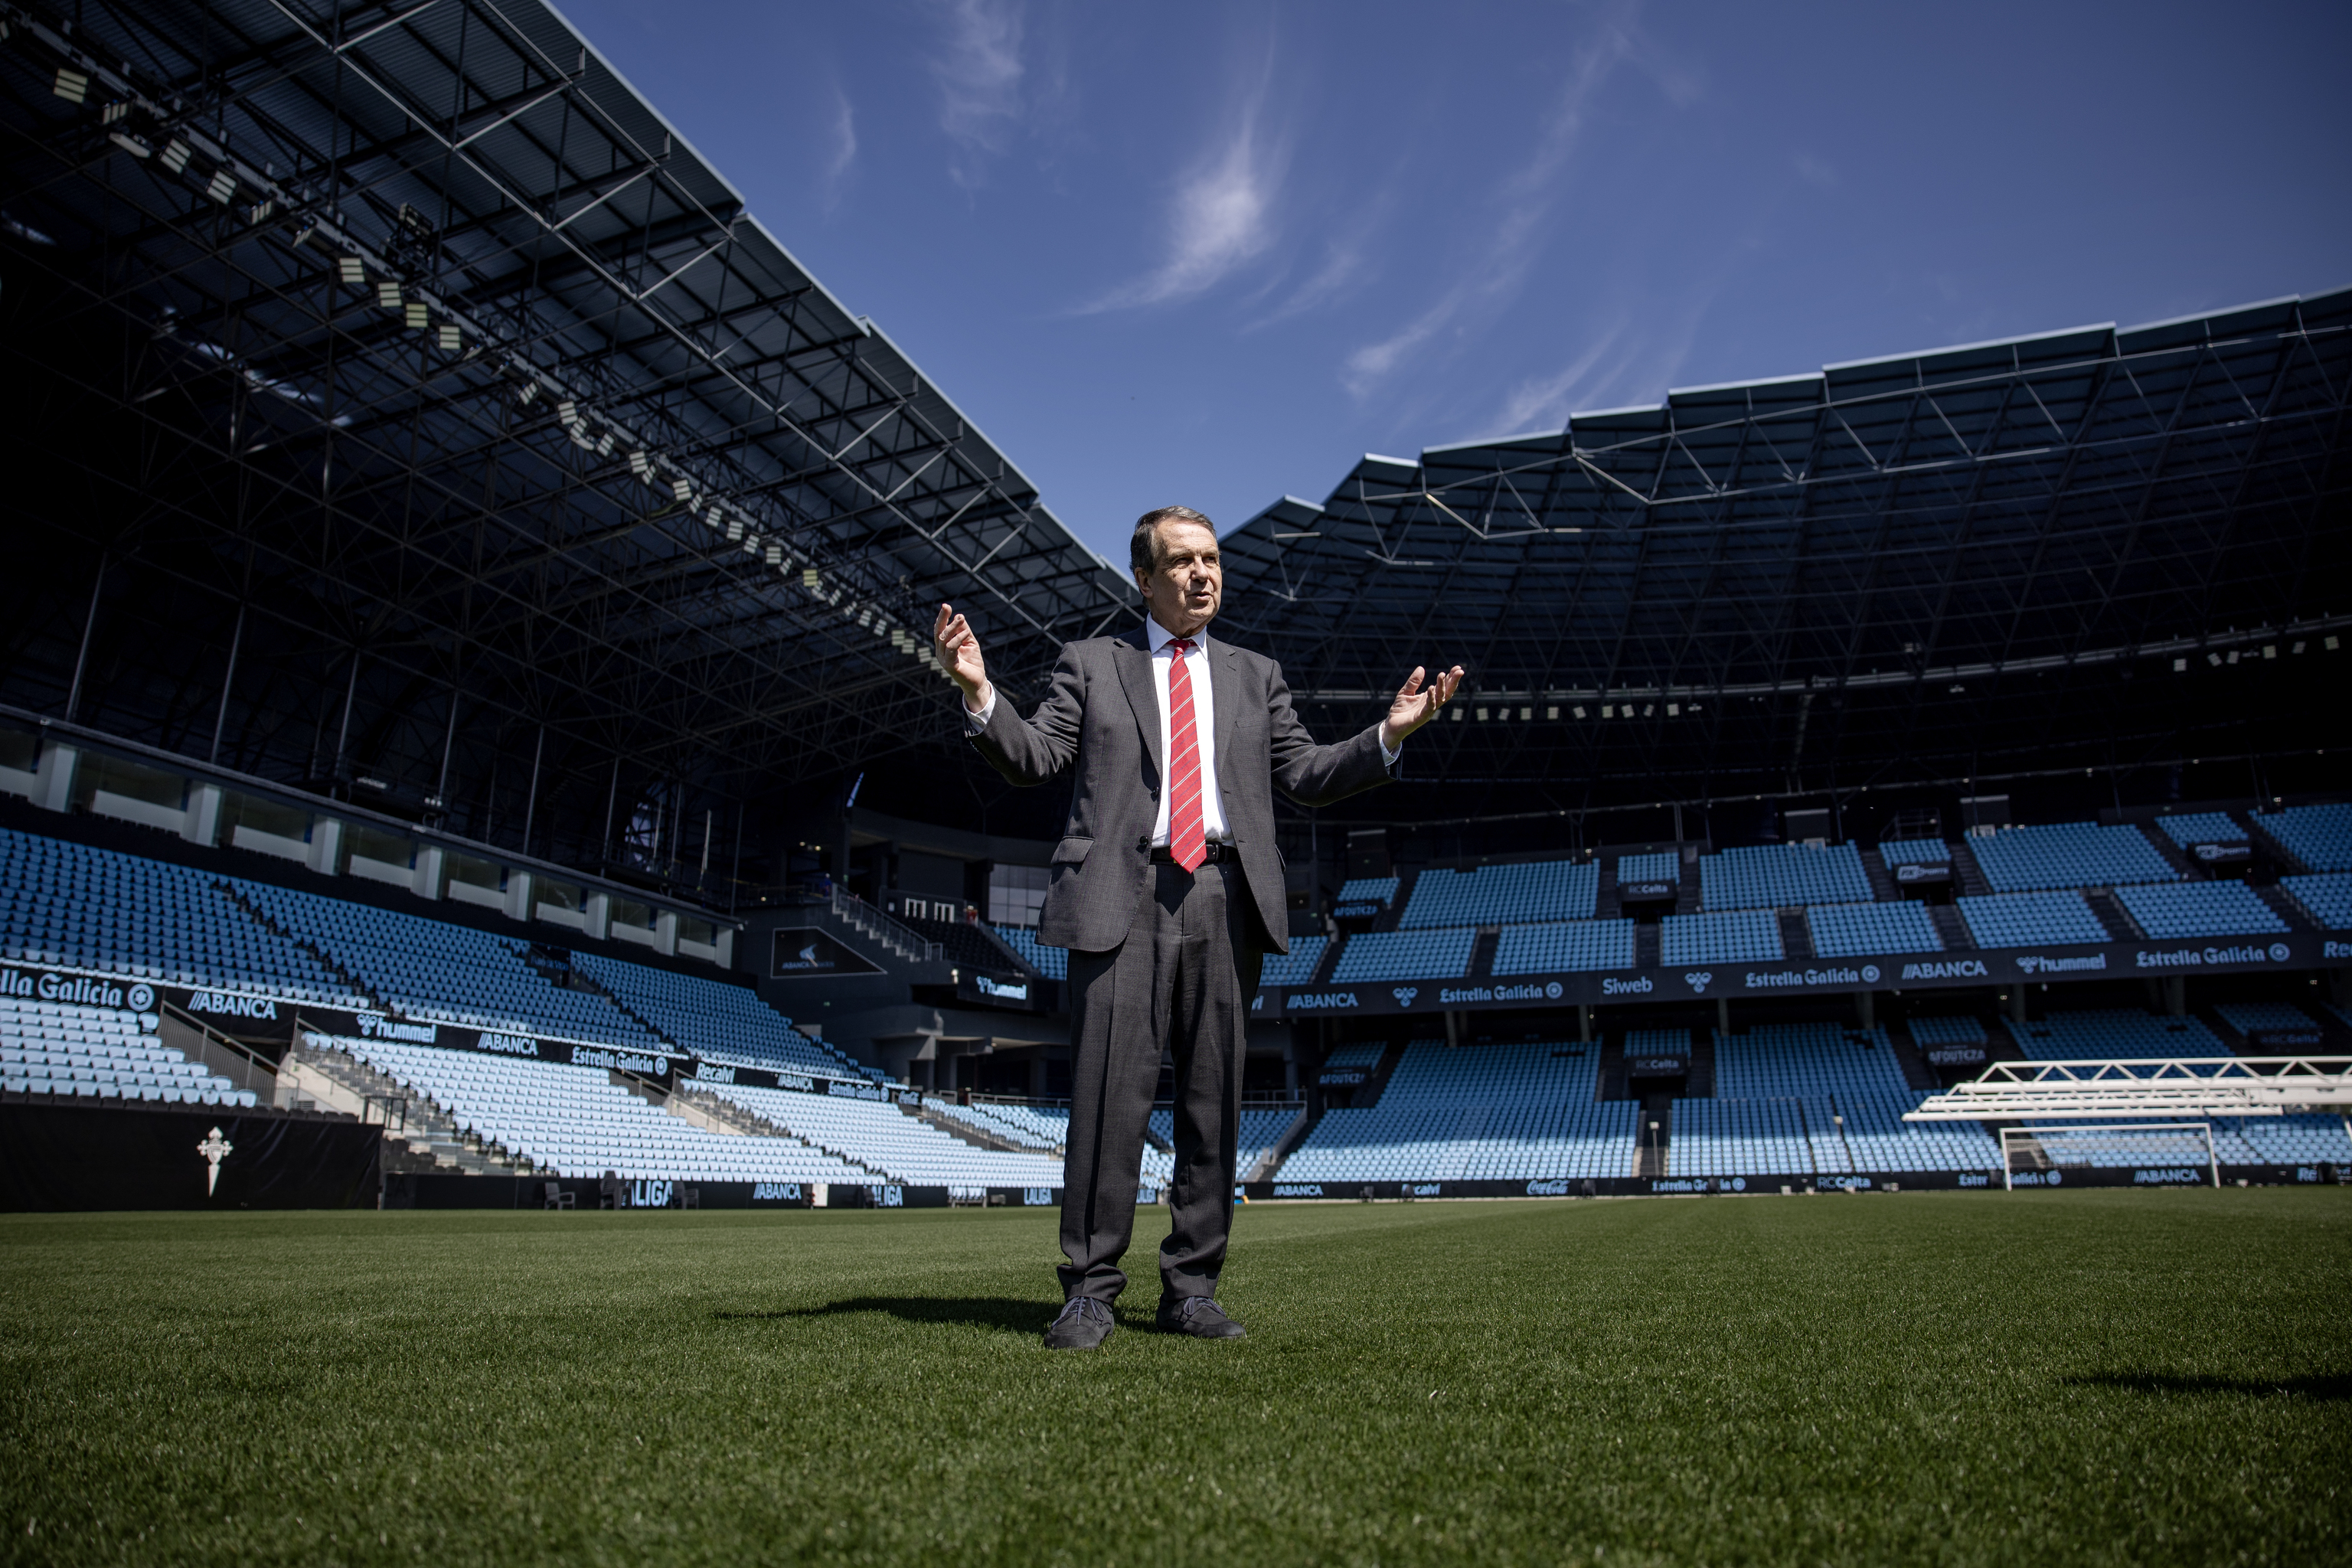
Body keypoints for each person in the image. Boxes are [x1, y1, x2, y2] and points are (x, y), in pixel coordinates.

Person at [933, 505, 1461, 1350]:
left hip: (1223, 894)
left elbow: (1308, 773)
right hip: (1121, 894)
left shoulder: (1256, 674)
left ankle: (1192, 1288)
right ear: (1144, 578)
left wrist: (1386, 736)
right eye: (1181, 561)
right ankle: (1089, 1291)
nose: (1203, 573)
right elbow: (1033, 754)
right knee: (1109, 1099)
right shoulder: (1093, 663)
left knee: (1212, 1101)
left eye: (1211, 558)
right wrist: (977, 690)